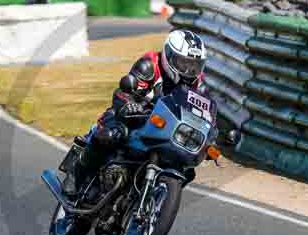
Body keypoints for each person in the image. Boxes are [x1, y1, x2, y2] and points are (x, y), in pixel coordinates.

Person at [61, 29, 208, 198]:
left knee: (187, 168)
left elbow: (204, 112)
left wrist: (216, 134)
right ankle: (77, 174)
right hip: (133, 116)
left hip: (165, 126)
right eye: (184, 63)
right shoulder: (150, 65)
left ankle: (155, 199)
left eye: (194, 66)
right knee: (110, 134)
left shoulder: (199, 84)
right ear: (169, 55)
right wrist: (129, 105)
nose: (189, 70)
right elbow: (123, 91)